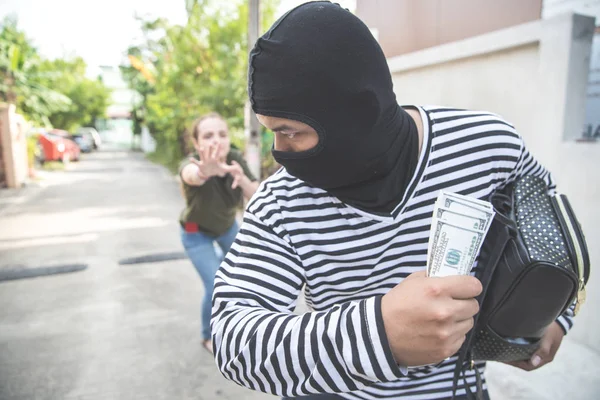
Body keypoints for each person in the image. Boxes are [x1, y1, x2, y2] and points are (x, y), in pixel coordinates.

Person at [211, 2, 573, 399]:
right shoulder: (280, 202)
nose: (279, 152)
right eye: (270, 132)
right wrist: (379, 333)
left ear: (354, 114)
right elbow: (234, 339)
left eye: (290, 131)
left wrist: (556, 318)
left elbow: (556, 234)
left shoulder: (489, 146)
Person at [179, 112, 259, 354]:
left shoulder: (235, 158)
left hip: (227, 227)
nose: (216, 140)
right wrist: (204, 173)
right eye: (208, 135)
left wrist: (241, 178)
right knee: (216, 286)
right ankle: (208, 335)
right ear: (197, 143)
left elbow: (257, 195)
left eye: (222, 134)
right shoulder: (193, 163)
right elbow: (189, 176)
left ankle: (240, 325)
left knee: (245, 279)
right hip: (195, 232)